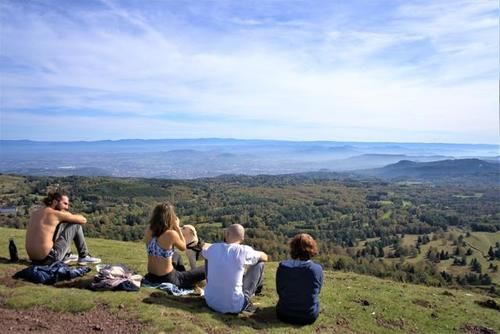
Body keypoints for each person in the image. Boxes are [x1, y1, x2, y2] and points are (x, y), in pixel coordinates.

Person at [202, 224, 268, 314]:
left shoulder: (213, 248)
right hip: (234, 306)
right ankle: (251, 293)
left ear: (226, 234)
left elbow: (204, 251)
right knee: (260, 263)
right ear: (242, 238)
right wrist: (256, 252)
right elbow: (265, 257)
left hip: (210, 301)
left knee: (207, 257)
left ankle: (211, 284)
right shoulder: (244, 251)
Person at [25, 192, 101, 265]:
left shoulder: (35, 212)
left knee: (60, 223)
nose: (67, 207)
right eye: (64, 203)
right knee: (76, 225)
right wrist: (66, 214)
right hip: (49, 260)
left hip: (33, 259)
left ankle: (67, 255)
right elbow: (83, 220)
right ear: (55, 202)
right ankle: (83, 256)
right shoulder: (55, 214)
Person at [144, 202, 205, 289]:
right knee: (206, 268)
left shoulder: (148, 230)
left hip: (151, 276)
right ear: (170, 217)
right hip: (167, 278)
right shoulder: (171, 234)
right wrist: (177, 227)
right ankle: (183, 281)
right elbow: (183, 247)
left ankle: (183, 277)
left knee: (177, 255)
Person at [276, 233, 323, 325]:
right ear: (312, 249)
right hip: (308, 316)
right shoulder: (316, 269)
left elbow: (279, 290)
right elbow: (317, 291)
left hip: (283, 314)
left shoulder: (282, 267)